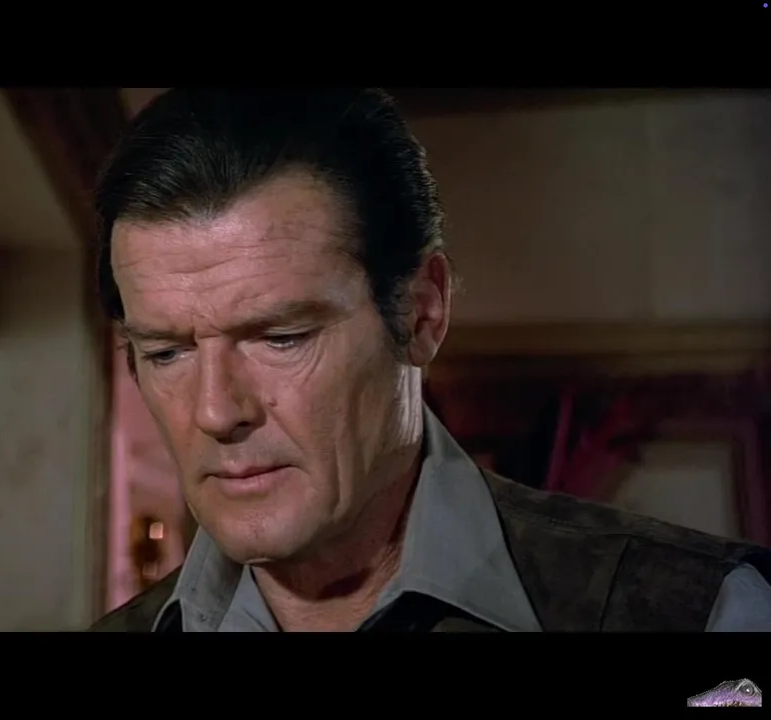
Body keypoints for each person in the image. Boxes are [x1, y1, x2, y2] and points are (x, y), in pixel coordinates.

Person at [88, 88, 771, 632]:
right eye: (167, 352)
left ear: (421, 313)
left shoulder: (700, 613)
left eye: (282, 338)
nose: (215, 411)